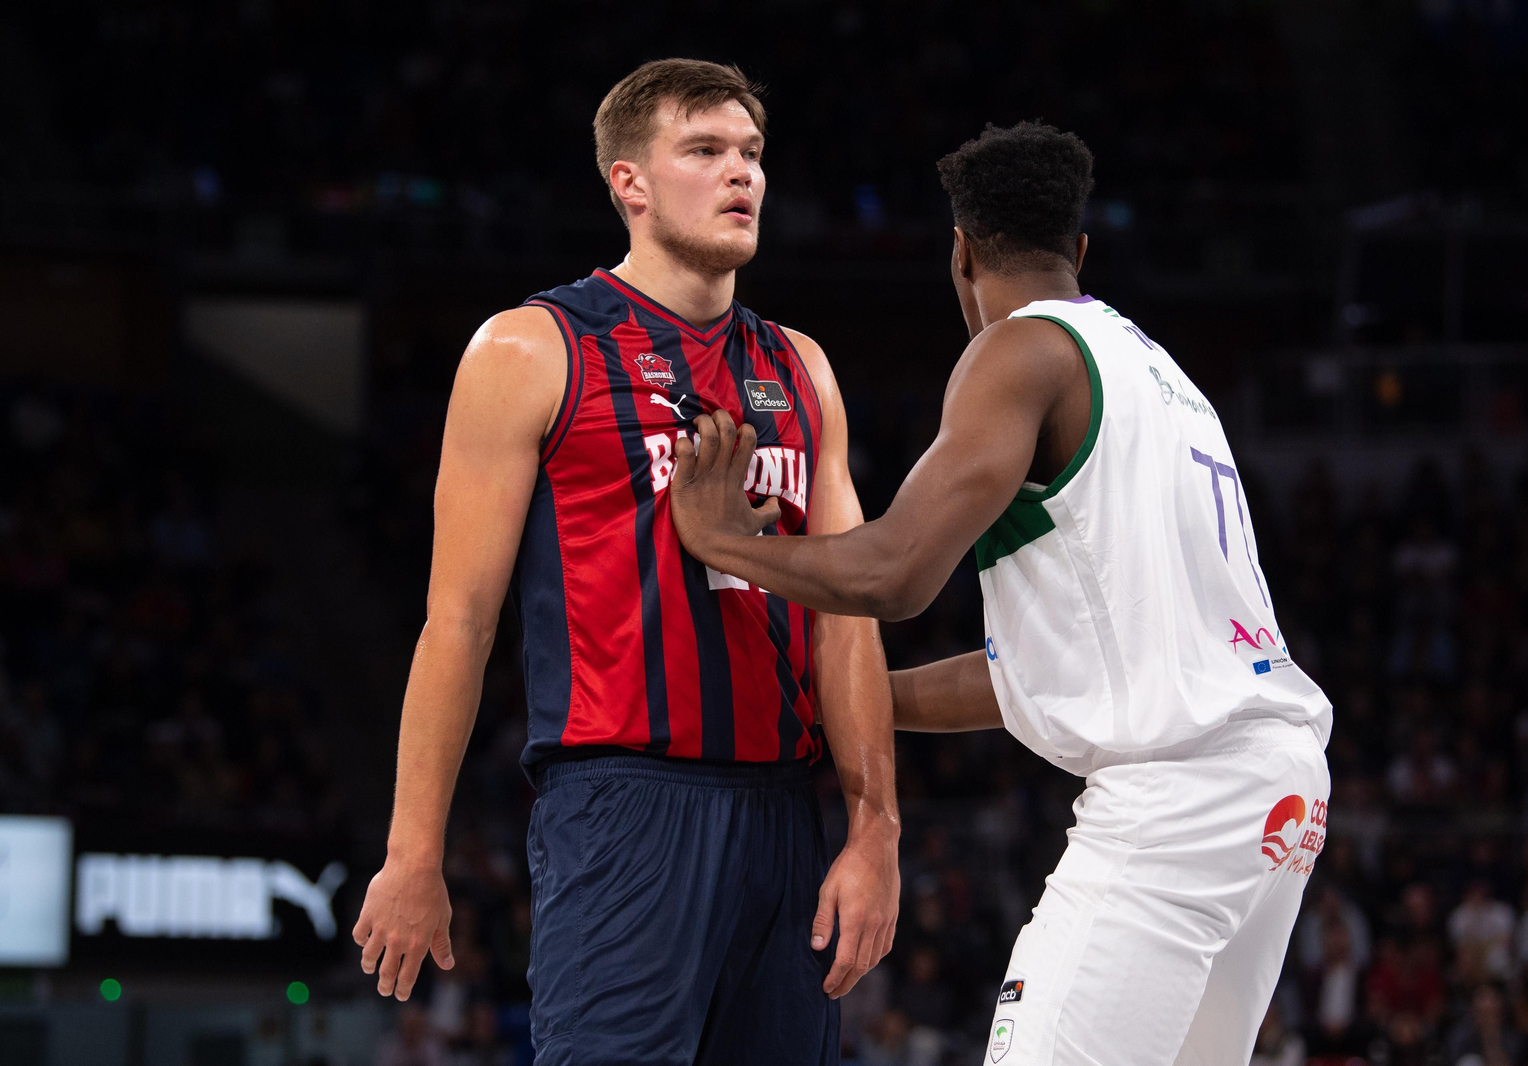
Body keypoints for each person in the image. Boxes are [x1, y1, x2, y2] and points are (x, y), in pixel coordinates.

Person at [668, 121, 1334, 1065]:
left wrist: (724, 539)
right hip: (1278, 792)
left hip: (1178, 799)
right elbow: (1041, 668)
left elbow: (894, 573)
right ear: (1082, 251)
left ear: (962, 252)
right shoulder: (1164, 376)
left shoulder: (1020, 350)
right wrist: (849, 701)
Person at [350, 59, 901, 1066]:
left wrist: (877, 832)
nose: (742, 175)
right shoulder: (531, 349)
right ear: (629, 183)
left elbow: (850, 610)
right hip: (623, 804)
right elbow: (459, 621)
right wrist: (410, 848)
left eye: (751, 153)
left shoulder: (800, 365)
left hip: (786, 811)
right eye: (704, 151)